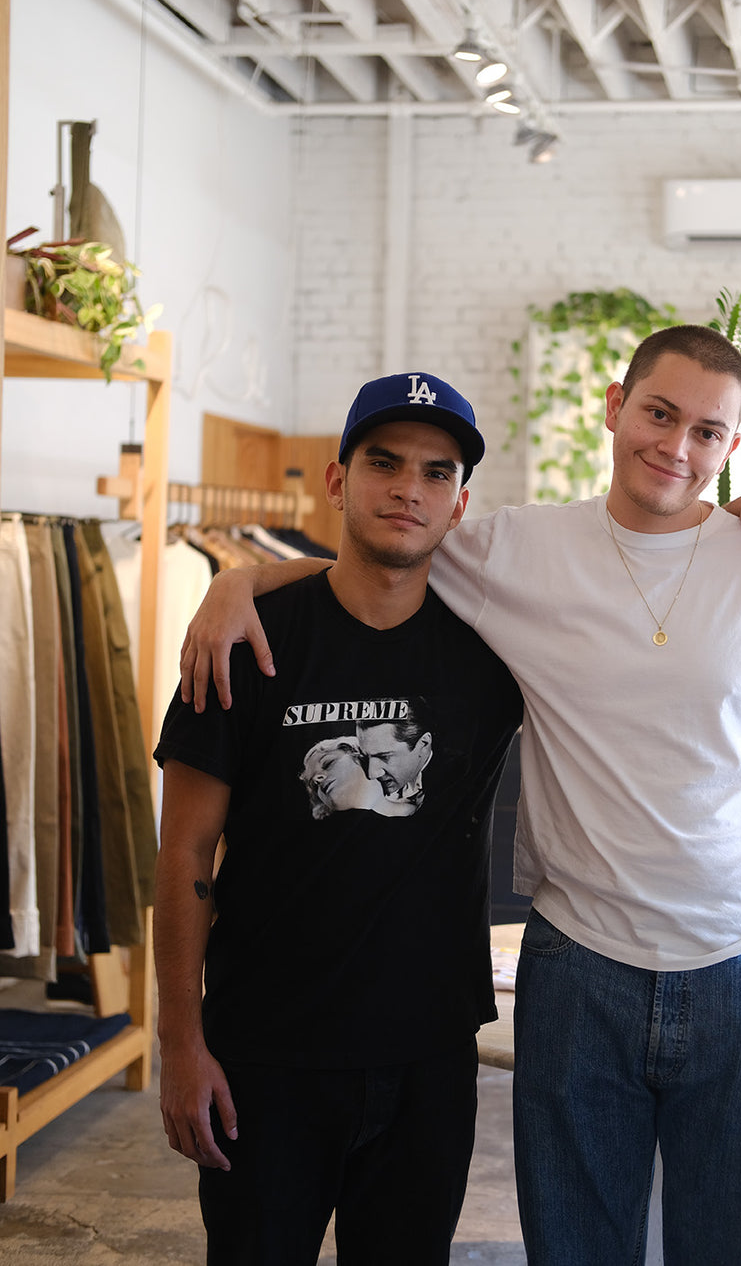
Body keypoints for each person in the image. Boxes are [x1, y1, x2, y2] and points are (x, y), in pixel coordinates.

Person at [179, 330, 741, 1266]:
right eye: (659, 413)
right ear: (615, 404)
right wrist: (241, 577)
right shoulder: (516, 549)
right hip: (578, 970)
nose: (676, 445)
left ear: (732, 447)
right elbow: (380, 556)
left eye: (708, 431)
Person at [153, 372, 523, 1266]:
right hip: (264, 1058)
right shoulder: (246, 639)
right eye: (383, 462)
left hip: (428, 1057)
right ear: (336, 480)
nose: (408, 488)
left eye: (436, 473)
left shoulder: (493, 656)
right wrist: (180, 1043)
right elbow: (185, 853)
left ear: (460, 503)